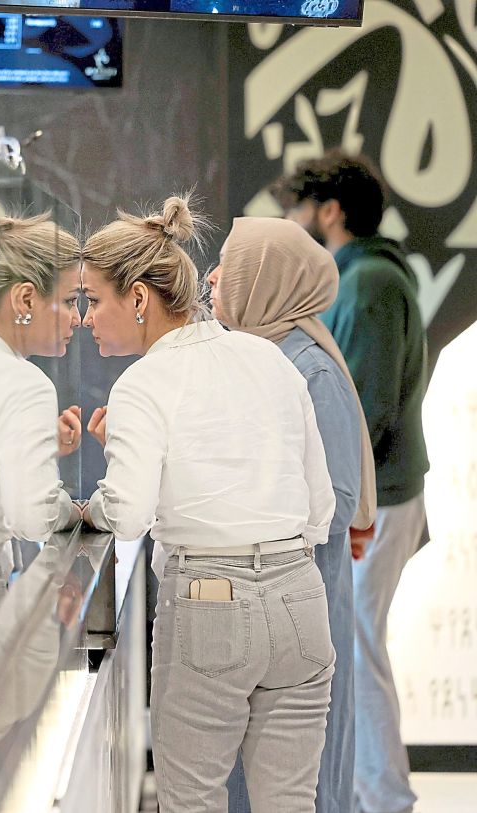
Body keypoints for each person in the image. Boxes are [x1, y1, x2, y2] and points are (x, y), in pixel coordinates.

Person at [79, 196, 336, 812]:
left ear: (138, 299)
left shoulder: (142, 383)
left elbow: (130, 514)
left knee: (191, 800)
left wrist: (89, 509)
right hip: (302, 595)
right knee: (292, 803)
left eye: (93, 300)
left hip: (208, 604)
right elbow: (320, 508)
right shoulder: (267, 357)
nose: (85, 318)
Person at [275, 152, 429, 813]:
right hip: (380, 497)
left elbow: (363, 411)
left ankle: (385, 798)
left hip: (378, 501)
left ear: (329, 211)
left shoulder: (367, 285)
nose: (290, 220)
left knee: (359, 651)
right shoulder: (367, 278)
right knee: (358, 647)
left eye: (297, 206)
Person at [209, 216, 377, 813]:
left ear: (264, 281)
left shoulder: (312, 371)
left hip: (303, 613)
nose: (212, 278)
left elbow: (335, 503)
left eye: (228, 265)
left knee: (304, 782)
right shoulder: (258, 359)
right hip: (261, 612)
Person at [0, 196, 83, 646]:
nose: (79, 318)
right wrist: (73, 509)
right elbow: (32, 517)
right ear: (25, 297)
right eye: (67, 300)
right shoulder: (24, 383)